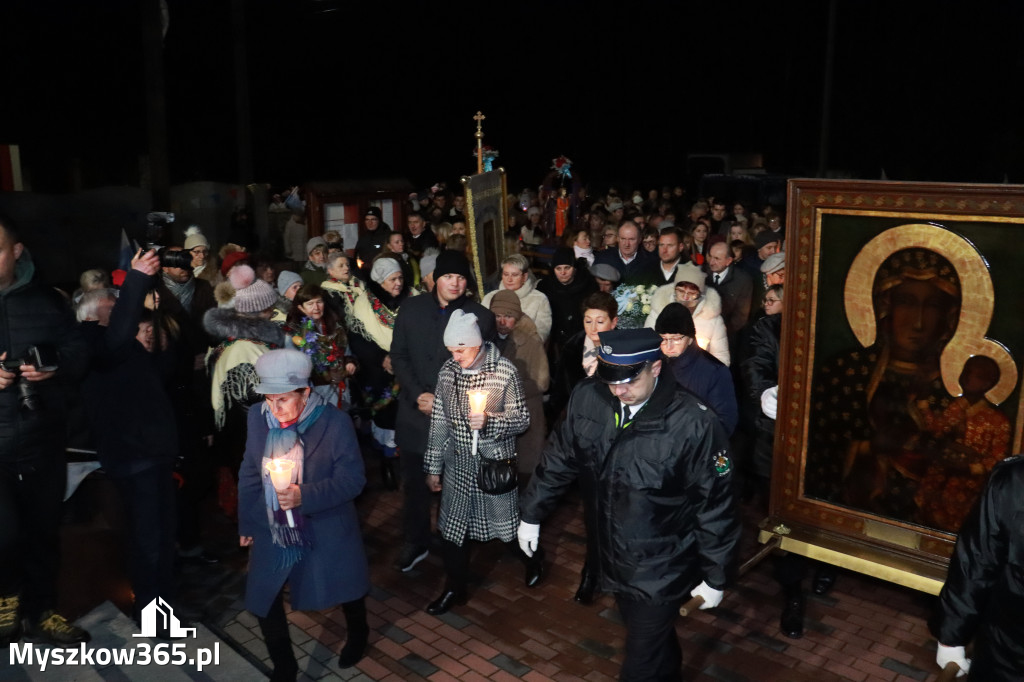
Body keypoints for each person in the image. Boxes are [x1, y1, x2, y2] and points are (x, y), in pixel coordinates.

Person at [519, 328, 739, 681]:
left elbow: (715, 505)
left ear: (656, 368)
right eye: (610, 379)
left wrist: (717, 575)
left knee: (640, 661)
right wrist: (532, 513)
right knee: (652, 641)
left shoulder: (694, 424)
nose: (618, 391)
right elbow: (560, 457)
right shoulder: (588, 397)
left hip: (662, 566)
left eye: (629, 381)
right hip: (611, 555)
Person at [238, 350, 370, 678]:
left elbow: (353, 480)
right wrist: (247, 521)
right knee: (264, 596)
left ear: (305, 392)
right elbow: (250, 471)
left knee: (345, 588)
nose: (274, 408)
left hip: (324, 523)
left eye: (283, 399)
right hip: (271, 522)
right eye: (269, 398)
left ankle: (359, 632)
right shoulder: (257, 417)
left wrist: (304, 495)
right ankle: (284, 666)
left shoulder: (334, 423)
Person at [0, 214, 91, 646]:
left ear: (17, 251)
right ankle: (6, 603)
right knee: (4, 534)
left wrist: (53, 367)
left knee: (42, 532)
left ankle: (42, 611)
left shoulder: (49, 300)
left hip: (42, 438)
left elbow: (78, 351)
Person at [79, 248, 179, 630]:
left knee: (163, 538)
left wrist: (162, 338)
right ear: (92, 314)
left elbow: (156, 382)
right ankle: (153, 618)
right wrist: (136, 279)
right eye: (114, 305)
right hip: (133, 456)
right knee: (148, 542)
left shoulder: (123, 347)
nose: (124, 311)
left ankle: (164, 606)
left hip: (155, 452)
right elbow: (116, 340)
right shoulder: (90, 342)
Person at [423, 310, 537, 614]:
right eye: (451, 350)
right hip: (458, 465)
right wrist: (433, 467)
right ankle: (454, 588)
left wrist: (490, 421)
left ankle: (533, 560)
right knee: (453, 532)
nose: (455, 356)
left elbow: (521, 420)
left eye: (460, 350)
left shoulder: (504, 371)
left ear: (475, 344)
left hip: (493, 467)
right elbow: (439, 422)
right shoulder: (448, 372)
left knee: (507, 529)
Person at [390, 250, 496, 572]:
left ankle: (456, 547)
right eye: (448, 276)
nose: (455, 283)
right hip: (415, 413)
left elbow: (485, 369)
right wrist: (418, 394)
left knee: (456, 487)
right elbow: (399, 356)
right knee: (414, 485)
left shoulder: (480, 317)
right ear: (435, 278)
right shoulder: (411, 309)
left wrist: (447, 401)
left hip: (456, 420)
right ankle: (416, 541)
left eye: (461, 277)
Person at [930, 455, 1024, 681]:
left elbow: (977, 561)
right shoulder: (1014, 478)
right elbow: (978, 561)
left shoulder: (1015, 477)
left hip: (1008, 649)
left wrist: (952, 639)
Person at [346, 257, 417, 490]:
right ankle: (388, 464)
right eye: (392, 279)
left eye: (400, 278)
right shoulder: (364, 304)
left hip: (411, 368)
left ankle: (411, 467)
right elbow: (358, 340)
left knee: (411, 420)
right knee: (387, 420)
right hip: (379, 372)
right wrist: (381, 358)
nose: (398, 283)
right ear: (379, 281)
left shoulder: (414, 298)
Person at [489, 291, 549, 479]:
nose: (502, 322)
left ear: (517, 317)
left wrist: (507, 390)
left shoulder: (530, 340)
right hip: (496, 415)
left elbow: (542, 382)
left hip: (526, 412)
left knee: (523, 473)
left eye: (508, 316)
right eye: (497, 316)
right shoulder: (488, 339)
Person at [655, 303, 737, 435]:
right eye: (663, 339)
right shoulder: (653, 364)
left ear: (690, 338)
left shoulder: (714, 371)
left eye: (676, 339)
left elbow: (724, 422)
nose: (669, 346)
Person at [644, 262, 730, 365]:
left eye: (691, 293)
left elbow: (720, 357)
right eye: (681, 291)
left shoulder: (712, 319)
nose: (685, 297)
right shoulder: (658, 311)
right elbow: (646, 346)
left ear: (700, 294)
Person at [481, 254, 553, 342]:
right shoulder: (489, 298)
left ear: (524, 277)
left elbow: (541, 333)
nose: (509, 279)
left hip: (526, 347)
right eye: (506, 274)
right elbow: (482, 328)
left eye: (514, 275)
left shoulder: (539, 299)